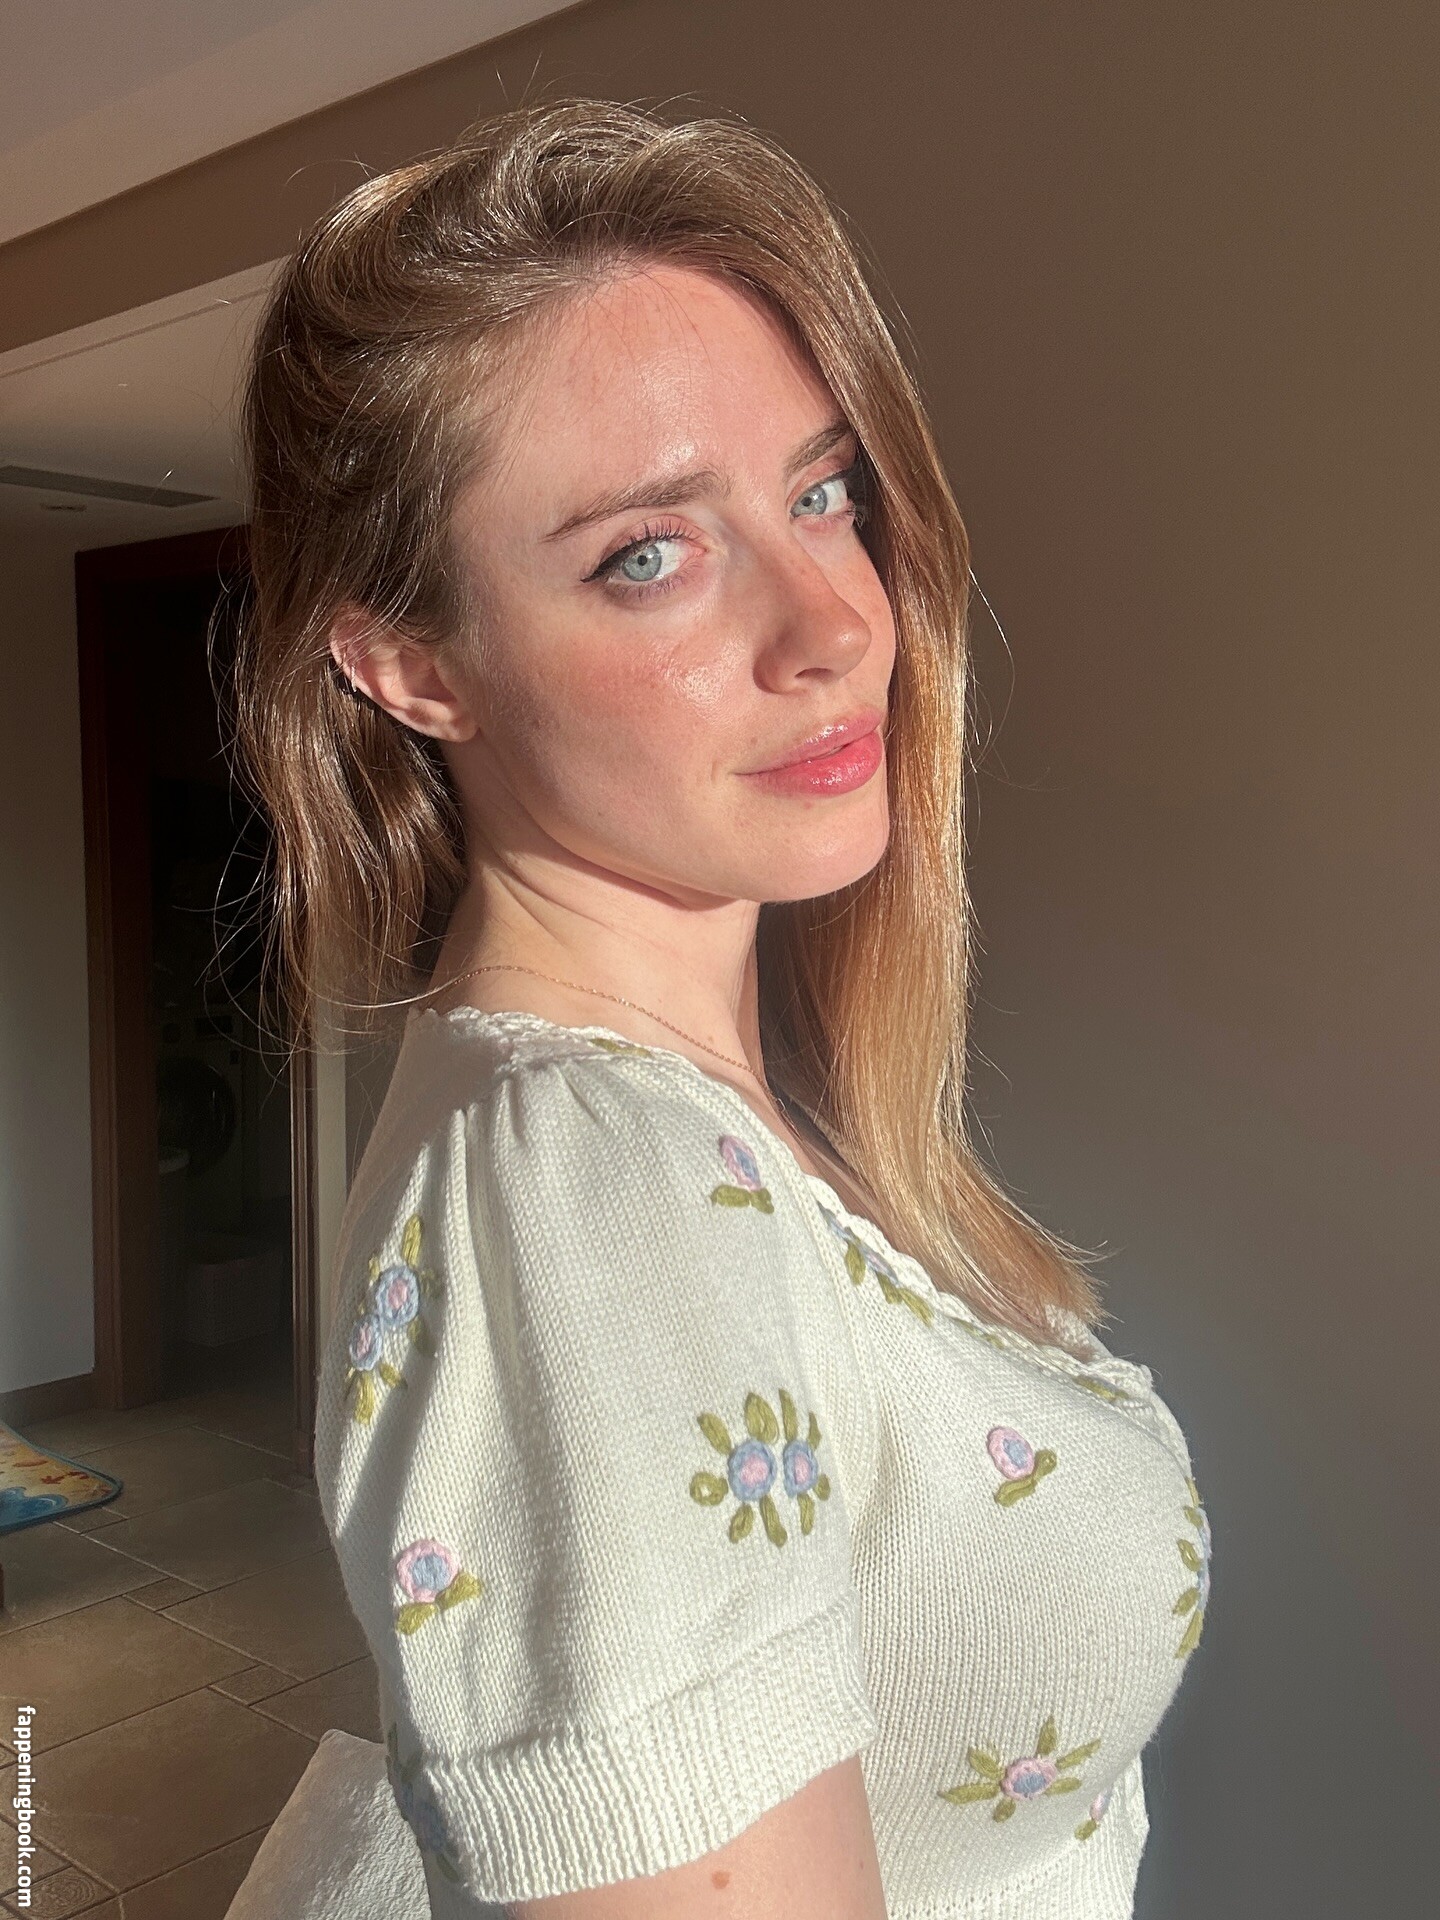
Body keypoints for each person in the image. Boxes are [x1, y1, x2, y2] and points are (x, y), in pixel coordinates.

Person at [234, 97, 1210, 1919]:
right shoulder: (587, 1189)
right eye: (649, 554)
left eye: (823, 493)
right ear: (411, 663)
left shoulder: (699, 1116)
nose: (835, 619)